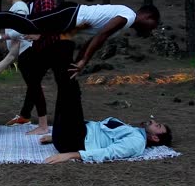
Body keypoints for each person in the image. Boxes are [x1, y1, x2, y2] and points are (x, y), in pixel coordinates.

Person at [29, 39, 172, 164]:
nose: (152, 122)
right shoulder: (134, 132)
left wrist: (71, 155)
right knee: (67, 86)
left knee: (70, 87)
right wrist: (55, 138)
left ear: (155, 138)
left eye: (157, 126)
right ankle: (60, 44)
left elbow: (110, 152)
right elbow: (102, 134)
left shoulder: (136, 142)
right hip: (71, 134)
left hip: (74, 140)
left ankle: (59, 43)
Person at [0, 2, 160, 78]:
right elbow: (100, 36)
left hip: (69, 21)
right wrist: (83, 61)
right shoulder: (129, 16)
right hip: (69, 15)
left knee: (28, 25)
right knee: (27, 23)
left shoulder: (123, 20)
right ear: (148, 17)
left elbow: (91, 36)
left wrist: (77, 63)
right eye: (153, 25)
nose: (150, 31)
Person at [1, 0, 59, 135]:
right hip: (36, 49)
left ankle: (43, 125)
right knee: (33, 85)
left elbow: (49, 20)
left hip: (47, 48)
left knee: (35, 86)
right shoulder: (29, 5)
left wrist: (5, 36)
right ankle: (26, 115)